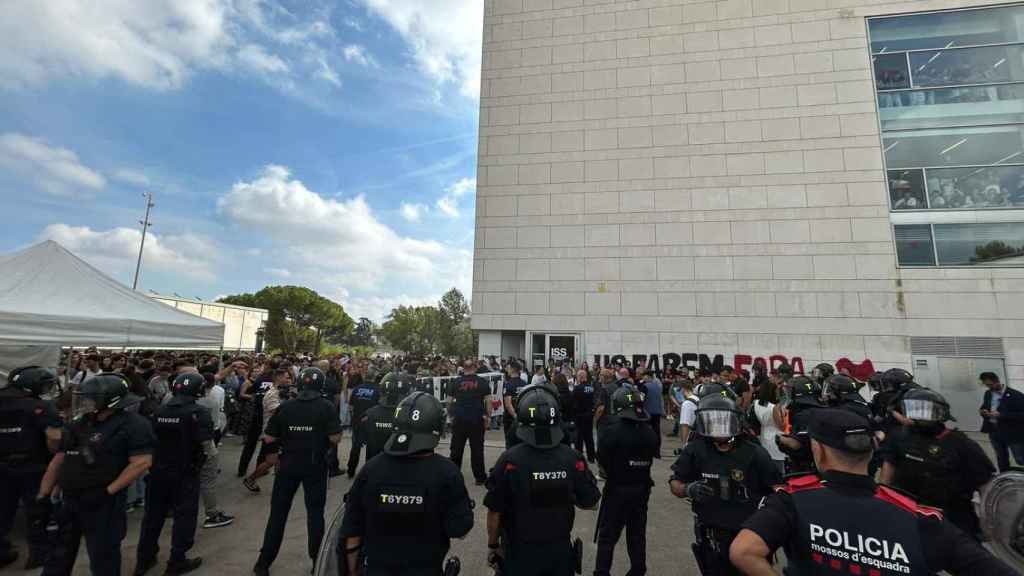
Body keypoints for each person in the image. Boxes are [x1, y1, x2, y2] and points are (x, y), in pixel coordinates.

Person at [729, 409, 1018, 576]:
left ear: (818, 450)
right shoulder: (920, 519)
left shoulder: (793, 500)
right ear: (872, 451)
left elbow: (744, 551)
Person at [340, 392, 473, 575]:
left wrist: (353, 571)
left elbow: (352, 533)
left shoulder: (371, 469)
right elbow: (460, 529)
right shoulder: (447, 473)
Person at [40, 373, 155, 576]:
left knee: (103, 557)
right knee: (58, 555)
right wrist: (44, 492)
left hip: (102, 503)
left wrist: (107, 491)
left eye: (89, 398)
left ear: (108, 400)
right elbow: (59, 458)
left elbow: (141, 463)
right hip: (70, 500)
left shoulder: (134, 425)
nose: (84, 402)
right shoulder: (80, 423)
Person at [485, 385, 600, 575]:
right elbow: (591, 503)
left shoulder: (509, 460)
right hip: (559, 552)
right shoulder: (573, 458)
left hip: (519, 552)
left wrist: (492, 544)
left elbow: (495, 510)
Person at [669, 393, 780, 576]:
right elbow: (675, 482)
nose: (718, 426)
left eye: (724, 420)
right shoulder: (696, 450)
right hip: (712, 536)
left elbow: (777, 490)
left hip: (748, 536)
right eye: (711, 420)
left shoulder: (754, 453)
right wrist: (688, 489)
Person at [253, 367, 342, 576]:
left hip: (287, 466)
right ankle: (316, 562)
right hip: (315, 466)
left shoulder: (286, 407)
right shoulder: (327, 407)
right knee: (315, 515)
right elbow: (335, 437)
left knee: (278, 514)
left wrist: (275, 453)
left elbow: (269, 438)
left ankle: (263, 563)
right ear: (321, 385)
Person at [880, 387, 995, 540]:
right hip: (907, 512)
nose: (920, 414)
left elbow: (985, 484)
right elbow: (889, 465)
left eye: (926, 410)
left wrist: (988, 524)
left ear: (941, 414)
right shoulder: (899, 437)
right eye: (915, 409)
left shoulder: (961, 444)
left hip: (952, 518)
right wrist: (882, 500)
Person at [133, 373, 213, 575]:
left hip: (157, 473)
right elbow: (207, 447)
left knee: (152, 518)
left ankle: (144, 560)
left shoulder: (158, 411)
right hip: (185, 473)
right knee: (184, 518)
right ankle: (177, 560)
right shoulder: (200, 412)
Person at [0, 367, 61, 569]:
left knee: (2, 510)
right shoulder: (40, 406)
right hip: (32, 467)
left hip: (2, 466)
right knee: (37, 511)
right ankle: (38, 555)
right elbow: (54, 438)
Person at [595, 387, 658, 576]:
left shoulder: (611, 430)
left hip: (617, 488)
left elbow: (602, 457)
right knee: (637, 534)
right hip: (641, 487)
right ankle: (638, 569)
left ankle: (601, 572)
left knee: (607, 536)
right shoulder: (649, 431)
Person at [447, 359, 491, 486]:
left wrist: (451, 416)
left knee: (456, 449)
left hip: (459, 420)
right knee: (477, 449)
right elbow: (488, 402)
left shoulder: (455, 382)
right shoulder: (482, 382)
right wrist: (488, 417)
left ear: (463, 368)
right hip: (477, 420)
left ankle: (453, 477)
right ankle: (480, 477)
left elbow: (449, 402)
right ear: (475, 368)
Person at [980, 371, 1024, 472]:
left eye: (990, 385)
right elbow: (984, 406)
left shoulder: (1015, 395)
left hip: (1012, 433)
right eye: (986, 385)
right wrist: (982, 411)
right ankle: (1004, 477)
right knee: (1001, 458)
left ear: (997, 381)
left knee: (1020, 459)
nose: (988, 387)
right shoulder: (988, 394)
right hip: (994, 431)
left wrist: (1001, 415)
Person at [362, 372, 411, 460]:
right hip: (398, 466)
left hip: (374, 465)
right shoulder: (409, 415)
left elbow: (364, 436)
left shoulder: (370, 413)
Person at [237, 360, 272, 477]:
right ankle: (259, 470)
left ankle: (242, 469)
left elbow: (250, 392)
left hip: (257, 415)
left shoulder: (260, 380)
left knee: (250, 445)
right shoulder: (275, 382)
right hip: (269, 418)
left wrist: (257, 396)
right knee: (264, 445)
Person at [346, 369, 379, 479]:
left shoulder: (357, 389)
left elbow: (350, 407)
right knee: (371, 448)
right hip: (370, 422)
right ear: (374, 377)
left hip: (357, 421)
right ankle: (368, 473)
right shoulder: (378, 390)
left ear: (365, 377)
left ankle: (351, 470)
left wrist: (354, 418)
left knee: (355, 447)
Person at [751, 374, 786, 475]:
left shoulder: (757, 403)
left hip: (764, 435)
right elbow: (781, 426)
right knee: (779, 469)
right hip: (775, 439)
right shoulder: (774, 407)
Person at [637, 368, 664, 458]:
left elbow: (640, 399)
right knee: (657, 432)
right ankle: (657, 452)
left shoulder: (645, 386)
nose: (643, 378)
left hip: (647, 412)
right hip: (657, 412)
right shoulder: (658, 386)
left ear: (647, 376)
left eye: (644, 376)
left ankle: (646, 451)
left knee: (646, 432)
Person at [572, 368, 596, 462]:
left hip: (579, 416)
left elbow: (573, 403)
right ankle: (591, 457)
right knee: (589, 438)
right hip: (589, 416)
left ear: (580, 377)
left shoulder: (577, 389)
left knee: (579, 439)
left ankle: (579, 458)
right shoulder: (591, 388)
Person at [502, 362, 525, 449]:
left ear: (513, 369)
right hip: (522, 416)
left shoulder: (508, 384)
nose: (507, 369)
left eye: (508, 368)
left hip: (510, 419)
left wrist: (515, 417)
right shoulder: (524, 383)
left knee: (509, 442)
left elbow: (508, 404)